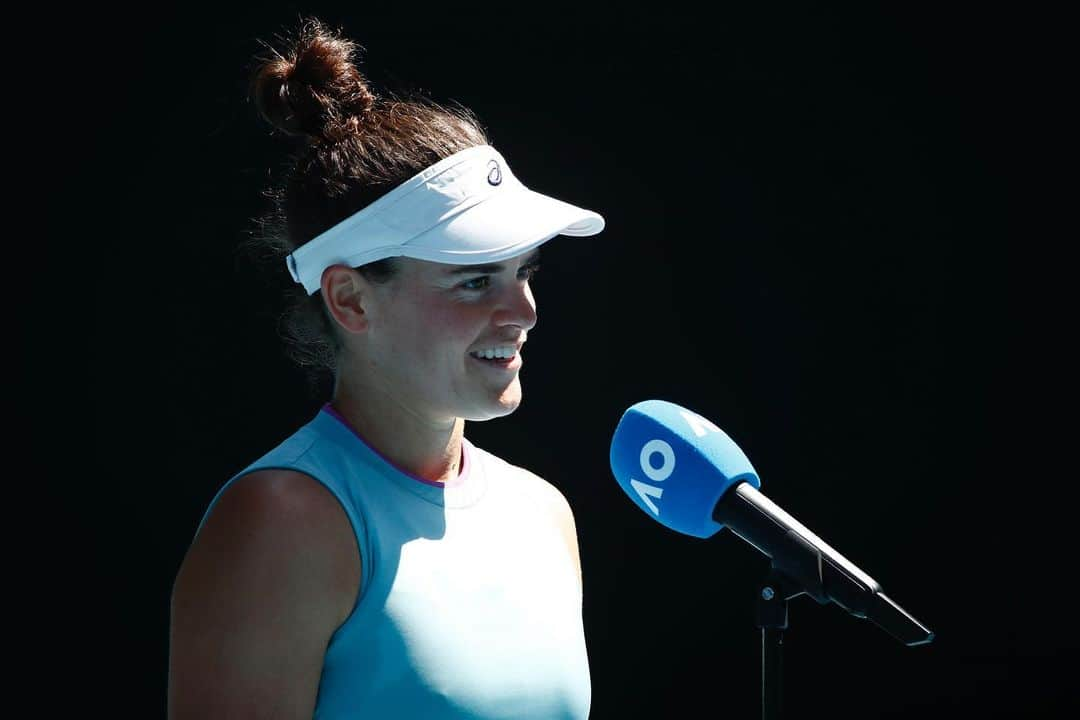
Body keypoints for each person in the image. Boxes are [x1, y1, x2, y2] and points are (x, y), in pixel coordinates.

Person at [167, 16, 605, 720]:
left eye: (524, 273)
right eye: (473, 280)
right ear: (350, 299)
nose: (522, 311)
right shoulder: (281, 522)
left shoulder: (544, 514)